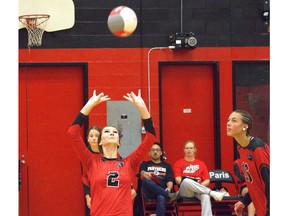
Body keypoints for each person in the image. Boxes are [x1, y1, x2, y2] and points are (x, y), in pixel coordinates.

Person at [68, 89, 156, 216]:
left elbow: (150, 137)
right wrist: (89, 105)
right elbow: (73, 133)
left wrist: (142, 108)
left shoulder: (130, 162)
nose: (111, 133)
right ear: (100, 142)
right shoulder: (91, 162)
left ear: (119, 142)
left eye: (114, 132)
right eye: (107, 131)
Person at [81, 126, 137, 215]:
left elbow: (122, 172)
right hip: (96, 193)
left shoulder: (112, 152)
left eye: (96, 135)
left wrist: (131, 187)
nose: (94, 138)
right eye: (91, 136)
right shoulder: (86, 155)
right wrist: (88, 196)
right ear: (87, 139)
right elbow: (84, 177)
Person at [227, 110, 270, 216]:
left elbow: (270, 182)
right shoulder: (242, 149)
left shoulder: (257, 147)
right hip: (261, 209)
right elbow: (256, 184)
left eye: (234, 120)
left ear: (245, 127)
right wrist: (244, 201)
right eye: (228, 120)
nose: (228, 123)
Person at [173, 140, 227, 216]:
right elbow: (178, 180)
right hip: (185, 191)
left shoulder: (201, 164)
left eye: (191, 148)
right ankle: (212, 193)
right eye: (187, 148)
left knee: (205, 196)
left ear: (195, 150)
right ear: (184, 150)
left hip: (198, 190)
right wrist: (192, 182)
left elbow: (207, 181)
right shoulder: (178, 163)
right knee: (185, 181)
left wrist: (197, 186)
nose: (189, 150)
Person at [139, 142, 179, 216]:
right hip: (149, 192)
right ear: (149, 153)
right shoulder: (145, 164)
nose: (155, 152)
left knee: (161, 197)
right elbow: (142, 172)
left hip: (162, 190)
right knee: (145, 179)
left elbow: (170, 179)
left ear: (161, 153)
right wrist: (144, 173)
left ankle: (165, 193)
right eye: (153, 150)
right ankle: (168, 195)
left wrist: (169, 187)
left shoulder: (167, 166)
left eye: (157, 150)